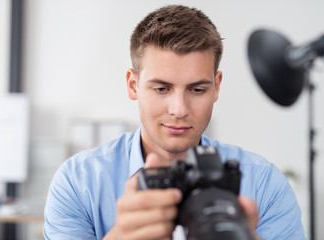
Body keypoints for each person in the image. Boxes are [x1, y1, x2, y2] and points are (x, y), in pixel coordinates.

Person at [43, 5, 305, 240]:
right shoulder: (78, 182)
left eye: (197, 90)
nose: (179, 110)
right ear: (133, 86)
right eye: (161, 89)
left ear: (216, 87)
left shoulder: (264, 183)